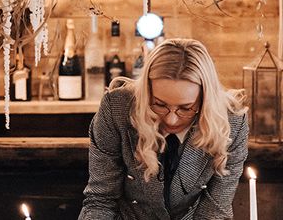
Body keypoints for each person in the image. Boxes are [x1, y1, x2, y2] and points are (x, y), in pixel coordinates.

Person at [79, 38, 248, 219]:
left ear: (206, 100)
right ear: (146, 93)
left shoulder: (231, 121)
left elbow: (214, 211)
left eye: (186, 108)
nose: (172, 119)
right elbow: (101, 199)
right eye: (159, 104)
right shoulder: (117, 108)